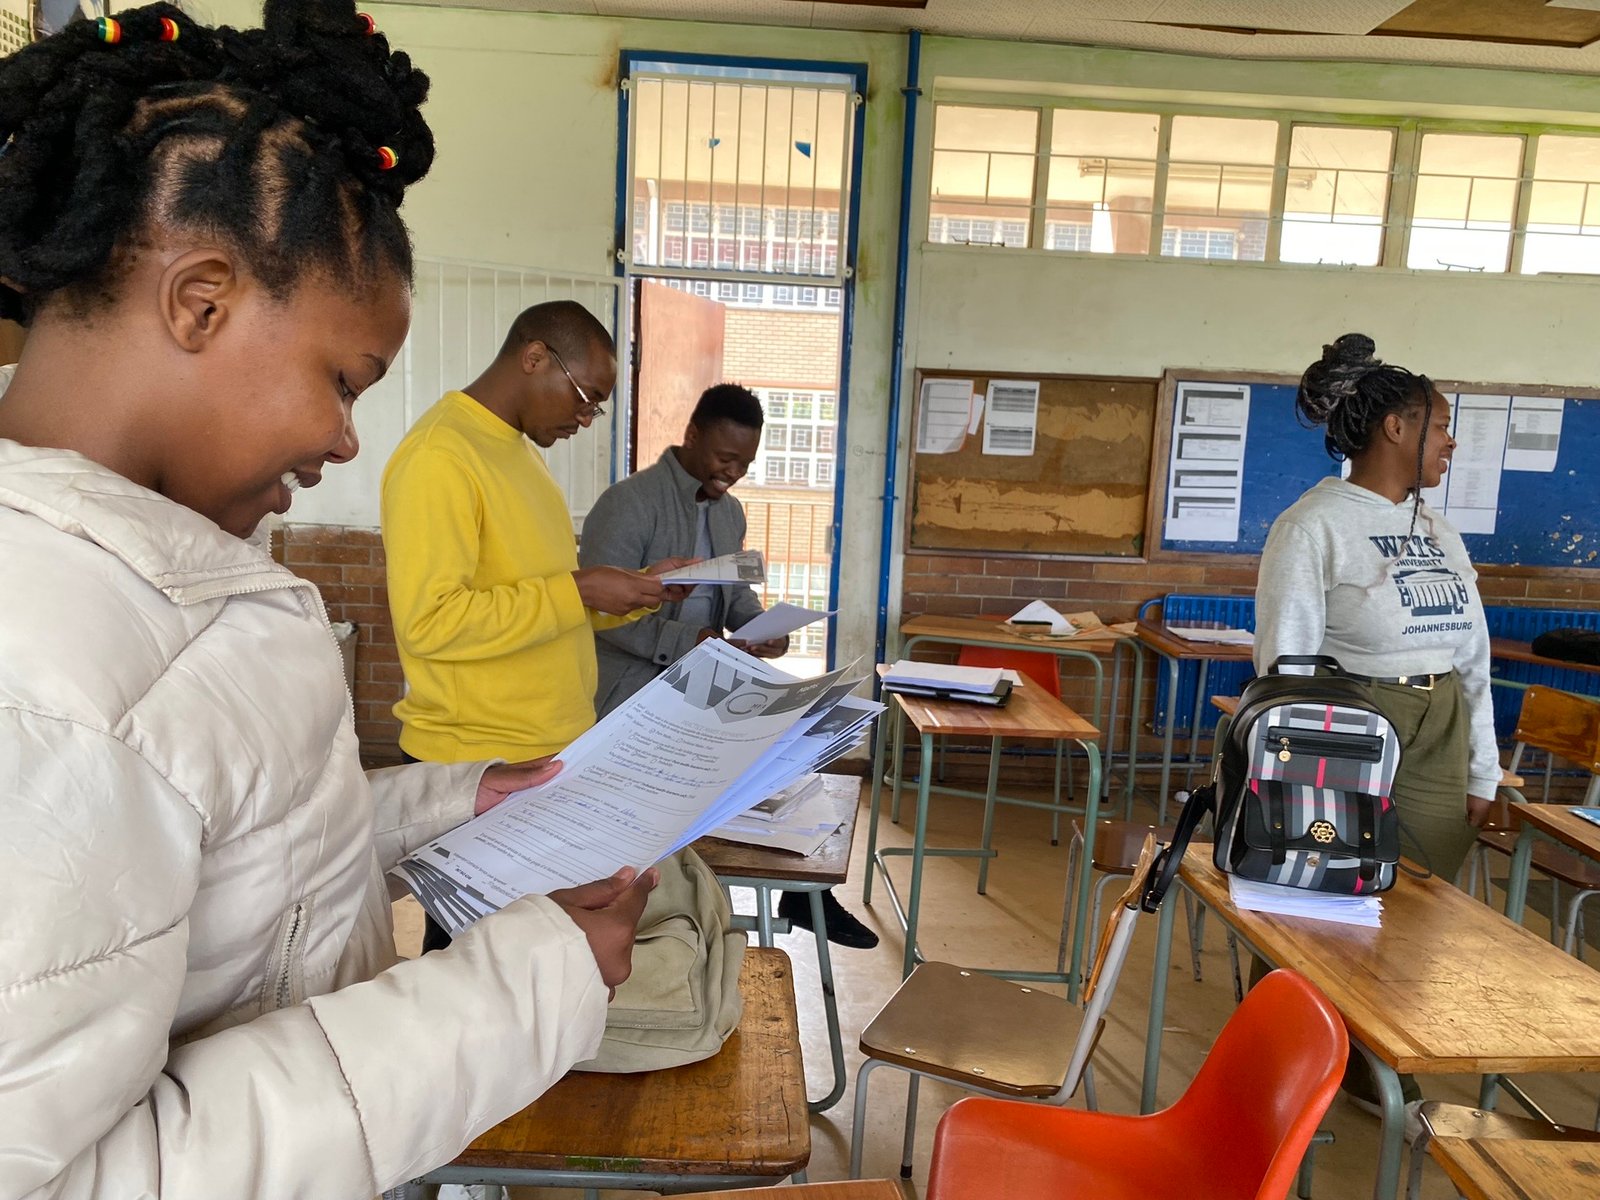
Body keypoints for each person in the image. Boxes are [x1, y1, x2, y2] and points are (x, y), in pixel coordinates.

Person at [0, 6, 656, 1196]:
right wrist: (530, 982)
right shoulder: (52, 677)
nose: (346, 439)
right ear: (200, 303)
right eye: (343, 381)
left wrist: (451, 806)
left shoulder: (156, 595)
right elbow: (59, 1177)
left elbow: (238, 866)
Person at [381, 301, 691, 951]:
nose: (586, 418)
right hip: (479, 761)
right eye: (585, 398)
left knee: (530, 957)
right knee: (478, 962)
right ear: (534, 357)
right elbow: (432, 622)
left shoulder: (516, 452)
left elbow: (537, 600)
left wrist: (635, 591)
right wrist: (578, 588)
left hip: (543, 752)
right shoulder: (441, 455)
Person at [1253, 332, 1497, 1129]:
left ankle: (1378, 1060)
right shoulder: (1314, 524)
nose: (1451, 442)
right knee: (1319, 900)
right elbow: (1284, 655)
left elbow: (1473, 655)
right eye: (1441, 424)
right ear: (1397, 427)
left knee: (1416, 907)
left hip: (1440, 724)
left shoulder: (1440, 531)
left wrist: (1482, 769)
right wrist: (1288, 767)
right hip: (1351, 720)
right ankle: (1285, 1052)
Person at [581, 383, 880, 950]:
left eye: (745, 463)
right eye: (725, 458)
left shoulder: (730, 512)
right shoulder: (627, 504)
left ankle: (806, 894)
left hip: (702, 678)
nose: (734, 473)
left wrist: (762, 628)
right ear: (692, 436)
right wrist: (692, 640)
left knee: (796, 742)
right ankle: (683, 914)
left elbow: (735, 593)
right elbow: (600, 616)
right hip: (629, 694)